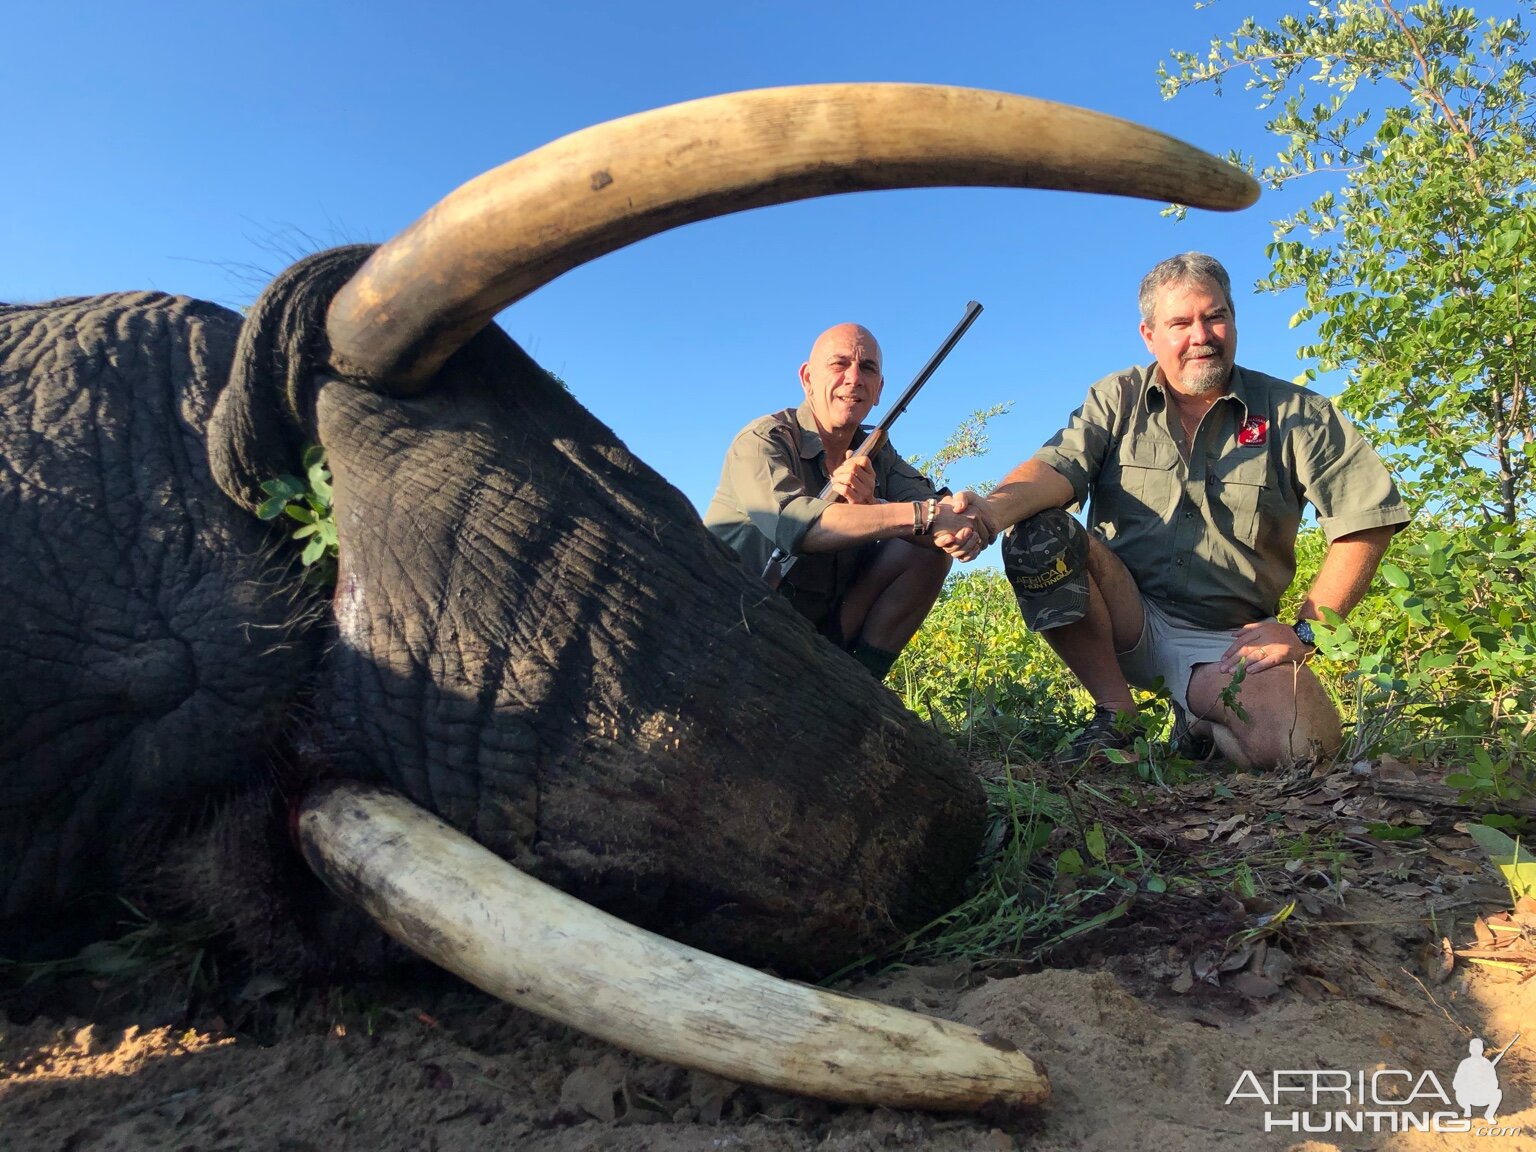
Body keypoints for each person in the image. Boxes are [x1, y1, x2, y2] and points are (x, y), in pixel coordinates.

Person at [985, 253, 1410, 768]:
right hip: (1126, 615)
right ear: (1149, 334)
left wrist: (1305, 632)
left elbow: (1366, 521)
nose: (1201, 335)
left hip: (1229, 642)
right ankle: (1116, 717)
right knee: (1036, 532)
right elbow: (1053, 470)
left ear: (1233, 318)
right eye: (1181, 323)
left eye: (1216, 316)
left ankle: (1198, 719)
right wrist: (988, 512)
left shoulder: (1298, 414)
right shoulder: (1115, 398)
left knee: (1306, 747)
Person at [705, 322, 996, 680]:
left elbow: (937, 509)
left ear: (878, 390)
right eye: (839, 364)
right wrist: (925, 515)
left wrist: (959, 517)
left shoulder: (877, 451)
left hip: (823, 632)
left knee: (925, 550)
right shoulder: (763, 440)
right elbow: (796, 526)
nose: (854, 378)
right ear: (807, 378)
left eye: (868, 368)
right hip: (738, 623)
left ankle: (861, 686)